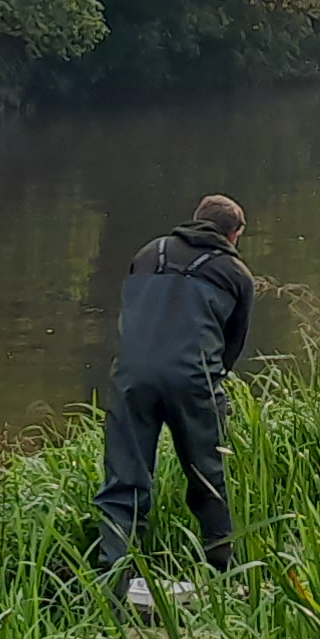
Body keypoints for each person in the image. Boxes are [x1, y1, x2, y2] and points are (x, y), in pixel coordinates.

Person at [94, 192, 253, 594]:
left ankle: (112, 582)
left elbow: (134, 314)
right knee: (208, 477)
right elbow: (231, 346)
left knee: (123, 482)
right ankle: (223, 577)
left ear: (195, 220)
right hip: (193, 379)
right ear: (235, 235)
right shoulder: (236, 273)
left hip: (131, 376)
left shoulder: (149, 252)